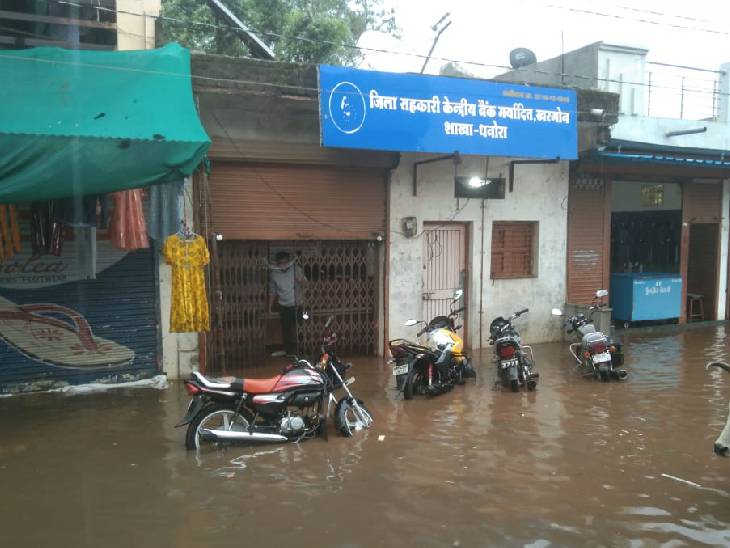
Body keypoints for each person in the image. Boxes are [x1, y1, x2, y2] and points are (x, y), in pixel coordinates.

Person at [268, 251, 306, 357]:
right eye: (281, 263)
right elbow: (272, 292)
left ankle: (302, 350)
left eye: (285, 262)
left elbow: (305, 283)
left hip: (298, 304)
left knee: (300, 327)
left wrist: (302, 281)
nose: (284, 265)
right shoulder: (274, 274)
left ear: (289, 261)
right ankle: (289, 352)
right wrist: (269, 308)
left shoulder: (296, 269)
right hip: (284, 306)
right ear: (277, 263)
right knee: (286, 329)